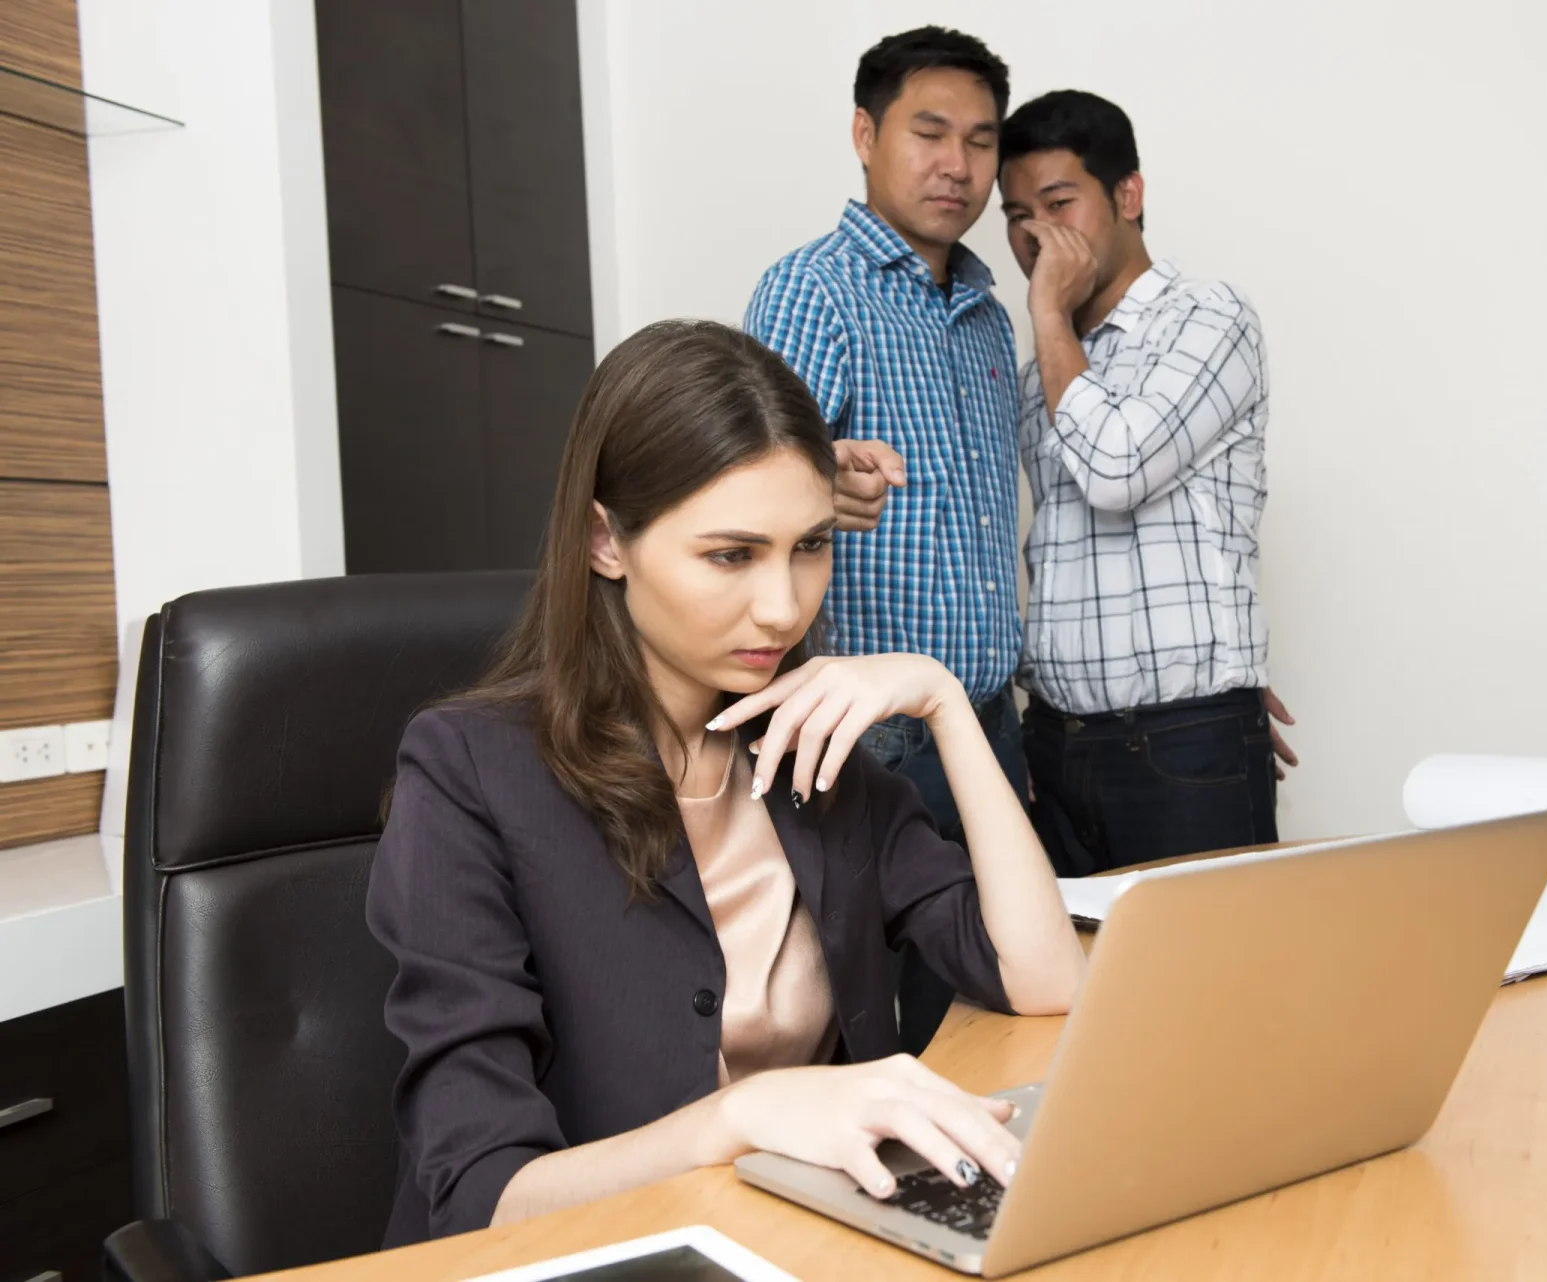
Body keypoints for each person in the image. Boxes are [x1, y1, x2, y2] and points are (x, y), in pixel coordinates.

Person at [366, 321, 1083, 1244]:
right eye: (731, 555)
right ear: (605, 541)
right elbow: (478, 1198)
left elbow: (1044, 977)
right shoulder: (469, 773)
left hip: (796, 1241)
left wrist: (942, 701)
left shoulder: (806, 746)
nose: (784, 606)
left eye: (811, 545)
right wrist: (739, 1120)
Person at [744, 27, 1027, 1052]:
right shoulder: (812, 290)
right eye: (929, 132)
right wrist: (823, 478)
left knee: (1001, 1006)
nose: (957, 164)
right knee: (888, 1025)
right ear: (866, 135)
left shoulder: (992, 319)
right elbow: (747, 485)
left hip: (989, 724)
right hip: (872, 735)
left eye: (982, 141)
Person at [998, 90, 1296, 875]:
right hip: (1056, 747)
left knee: (1213, 993)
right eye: (1017, 214)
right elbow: (1059, 556)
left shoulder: (1209, 318)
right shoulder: (1041, 379)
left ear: (1128, 195)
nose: (1036, 236)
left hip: (1182, 750)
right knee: (1069, 997)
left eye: (1059, 203)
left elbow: (1116, 469)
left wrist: (1215, 703)